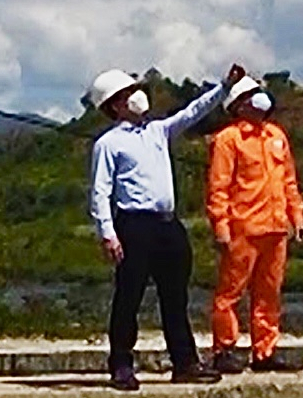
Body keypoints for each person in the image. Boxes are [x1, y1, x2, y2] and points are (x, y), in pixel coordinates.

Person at [86, 63, 247, 391]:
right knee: (128, 296)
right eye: (128, 93)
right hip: (134, 225)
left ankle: (185, 362)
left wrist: (224, 87)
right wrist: (108, 233)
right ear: (115, 105)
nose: (137, 96)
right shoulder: (108, 144)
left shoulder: (158, 130)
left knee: (175, 297)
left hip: (167, 225)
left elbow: (193, 112)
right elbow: (100, 191)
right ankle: (121, 365)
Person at [206, 76, 303, 373]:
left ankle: (265, 351)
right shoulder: (228, 140)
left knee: (269, 293)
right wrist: (221, 226)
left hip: (276, 228)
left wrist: (296, 215)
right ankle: (224, 349)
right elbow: (218, 186)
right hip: (243, 228)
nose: (259, 98)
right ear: (238, 105)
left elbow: (289, 181)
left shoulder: (276, 136)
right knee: (230, 293)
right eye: (251, 95)